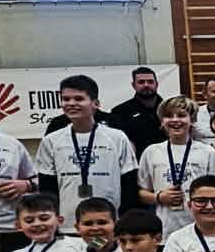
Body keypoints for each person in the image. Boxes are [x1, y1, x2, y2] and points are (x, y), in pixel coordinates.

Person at [37, 75, 139, 232]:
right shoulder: (51, 140)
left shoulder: (117, 137)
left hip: (108, 225)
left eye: (79, 98)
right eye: (66, 99)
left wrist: (125, 220)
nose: (71, 103)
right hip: (68, 226)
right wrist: (52, 220)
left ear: (95, 104)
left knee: (100, 250)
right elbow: (47, 187)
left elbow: (129, 183)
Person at [141, 97, 215, 233]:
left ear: (192, 120)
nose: (175, 120)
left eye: (182, 115)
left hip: (200, 227)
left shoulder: (207, 151)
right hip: (165, 228)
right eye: (169, 116)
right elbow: (141, 192)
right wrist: (158, 197)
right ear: (162, 121)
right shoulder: (151, 151)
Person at [107, 67, 166, 152]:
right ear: (133, 85)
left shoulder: (169, 109)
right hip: (136, 159)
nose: (146, 85)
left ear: (156, 84)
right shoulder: (119, 112)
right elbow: (117, 144)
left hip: (168, 158)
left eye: (150, 82)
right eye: (141, 82)